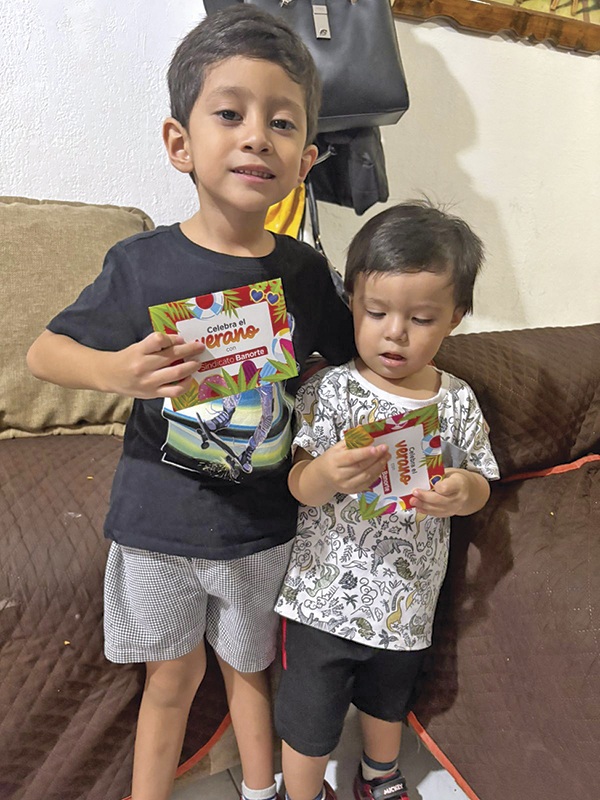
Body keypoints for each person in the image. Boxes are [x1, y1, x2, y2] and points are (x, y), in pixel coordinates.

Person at [26, 7, 357, 800]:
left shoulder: (305, 272)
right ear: (180, 143)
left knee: (250, 669)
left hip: (261, 524)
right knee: (169, 679)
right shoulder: (141, 264)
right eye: (230, 114)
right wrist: (120, 372)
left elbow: (347, 359)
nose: (257, 138)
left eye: (282, 123)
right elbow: (45, 352)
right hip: (159, 524)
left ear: (306, 160)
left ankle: (261, 789)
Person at [273, 202, 500, 800]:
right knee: (308, 717)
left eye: (421, 318)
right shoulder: (331, 391)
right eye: (376, 312)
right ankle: (301, 793)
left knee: (387, 702)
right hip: (323, 600)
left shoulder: (456, 401)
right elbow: (297, 483)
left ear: (455, 319)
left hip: (407, 603)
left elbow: (482, 481)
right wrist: (326, 473)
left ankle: (379, 776)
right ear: (352, 302)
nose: (395, 332)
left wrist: (462, 492)